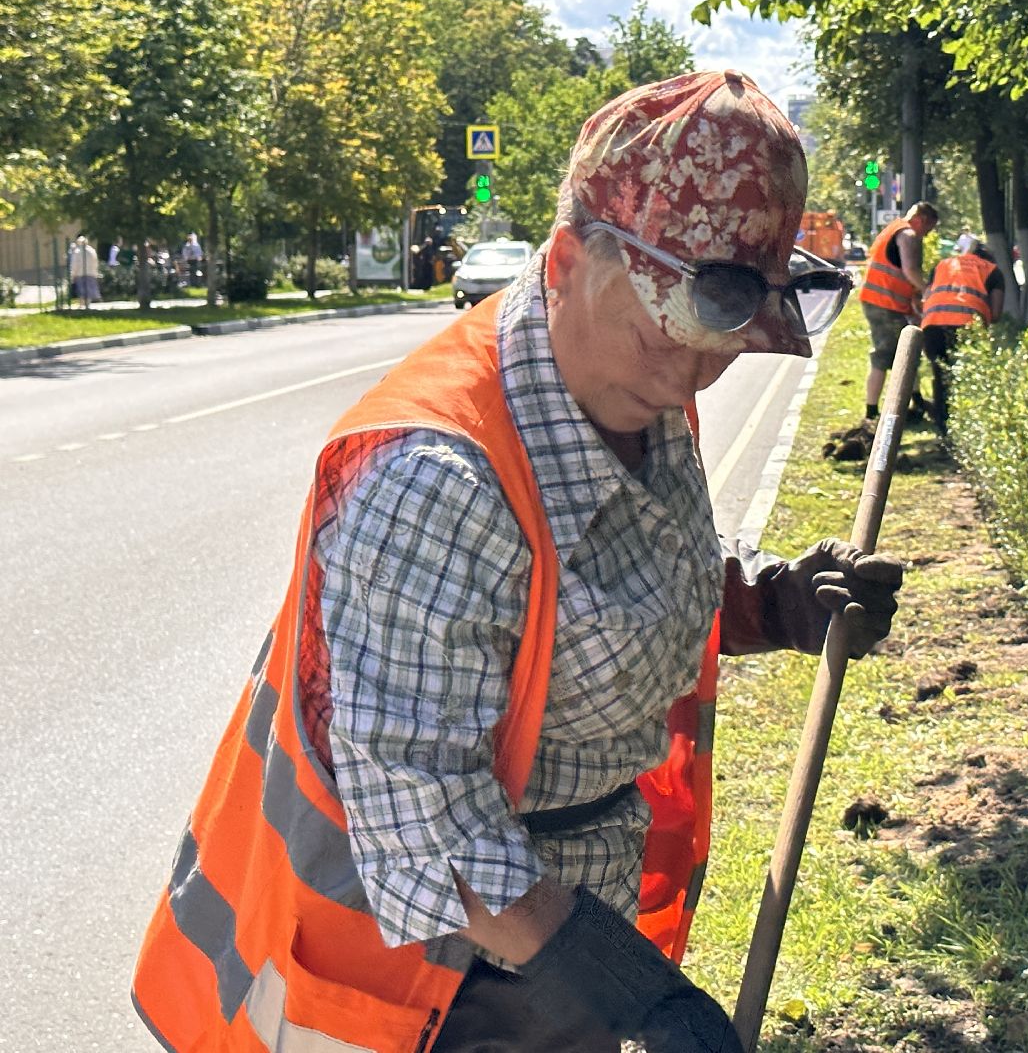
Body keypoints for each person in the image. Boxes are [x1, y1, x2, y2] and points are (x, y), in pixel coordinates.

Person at [132, 70, 899, 1053]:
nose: (697, 371)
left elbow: (615, 580)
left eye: (723, 341)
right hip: (410, 987)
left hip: (545, 960)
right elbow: (434, 832)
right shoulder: (434, 480)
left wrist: (769, 600)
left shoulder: (637, 380)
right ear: (573, 256)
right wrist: (636, 996)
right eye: (670, 334)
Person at [857, 201, 939, 423]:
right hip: (884, 303)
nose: (926, 235)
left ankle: (915, 400)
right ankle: (873, 412)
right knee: (889, 354)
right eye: (928, 229)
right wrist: (928, 291)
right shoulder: (908, 235)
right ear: (922, 220)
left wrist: (914, 300)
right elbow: (910, 269)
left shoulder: (894, 229)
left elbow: (901, 275)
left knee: (906, 353)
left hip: (884, 302)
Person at [919, 242, 1004, 429]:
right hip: (966, 327)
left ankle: (943, 427)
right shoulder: (993, 271)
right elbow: (996, 314)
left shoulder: (943, 264)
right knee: (967, 376)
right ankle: (967, 426)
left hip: (932, 324)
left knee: (941, 375)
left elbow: (926, 295)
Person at [67, 235, 101, 308]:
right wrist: (95, 272)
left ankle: (81, 304)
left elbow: (74, 264)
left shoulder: (77, 251)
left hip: (80, 274)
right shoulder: (92, 251)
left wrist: (73, 274)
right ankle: (87, 304)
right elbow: (95, 262)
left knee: (81, 290)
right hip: (91, 273)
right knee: (89, 289)